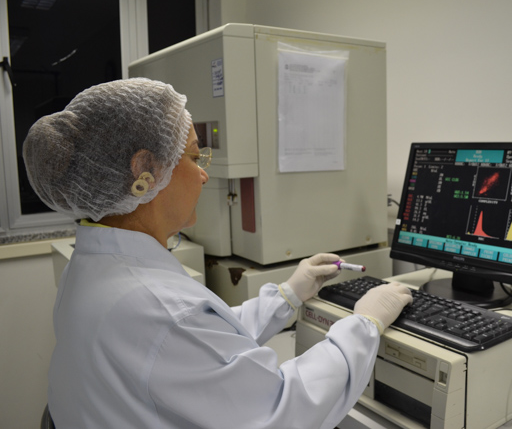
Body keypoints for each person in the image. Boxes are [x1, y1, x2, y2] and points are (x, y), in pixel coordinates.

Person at [23, 78, 413, 428]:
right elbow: (284, 411)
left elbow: (203, 346)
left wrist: (287, 295)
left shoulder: (91, 265)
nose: (204, 174)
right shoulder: (159, 308)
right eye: (194, 157)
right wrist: (364, 325)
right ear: (145, 171)